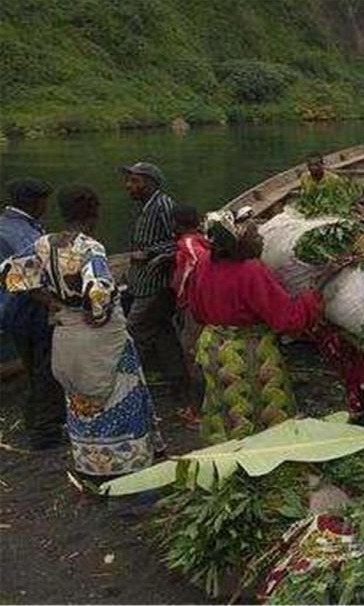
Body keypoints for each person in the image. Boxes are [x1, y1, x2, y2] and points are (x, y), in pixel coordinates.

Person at [1, 185, 161, 476]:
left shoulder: (45, 243)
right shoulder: (89, 247)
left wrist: (52, 303)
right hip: (97, 337)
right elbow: (99, 291)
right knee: (117, 392)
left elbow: (11, 274)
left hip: (65, 332)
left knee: (79, 398)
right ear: (94, 212)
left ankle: (88, 461)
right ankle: (125, 463)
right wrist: (96, 316)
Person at [188, 210, 323, 443]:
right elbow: (288, 319)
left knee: (224, 408)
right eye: (255, 235)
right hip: (248, 352)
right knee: (260, 409)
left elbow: (197, 310)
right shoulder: (251, 270)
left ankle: (225, 458)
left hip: (212, 348)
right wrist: (312, 296)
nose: (261, 239)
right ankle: (262, 464)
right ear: (239, 242)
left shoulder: (203, 263)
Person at [0, 178, 66, 449]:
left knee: (33, 368)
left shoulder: (10, 225)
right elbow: (26, 280)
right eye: (43, 201)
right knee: (45, 370)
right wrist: (54, 303)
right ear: (34, 202)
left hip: (12, 312)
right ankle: (46, 434)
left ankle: (33, 421)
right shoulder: (20, 234)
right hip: (27, 311)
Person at [120, 161, 186, 386]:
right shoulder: (145, 206)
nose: (128, 185)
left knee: (134, 330)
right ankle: (176, 376)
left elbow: (179, 240)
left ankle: (131, 382)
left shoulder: (163, 205)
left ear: (150, 183)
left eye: (135, 181)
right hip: (140, 281)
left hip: (154, 285)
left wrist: (149, 253)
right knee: (162, 330)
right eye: (128, 180)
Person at [170, 205, 211, 416]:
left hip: (193, 307)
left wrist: (185, 295)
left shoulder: (188, 244)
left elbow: (198, 263)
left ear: (176, 225)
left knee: (192, 355)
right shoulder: (200, 240)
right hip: (198, 306)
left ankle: (197, 410)